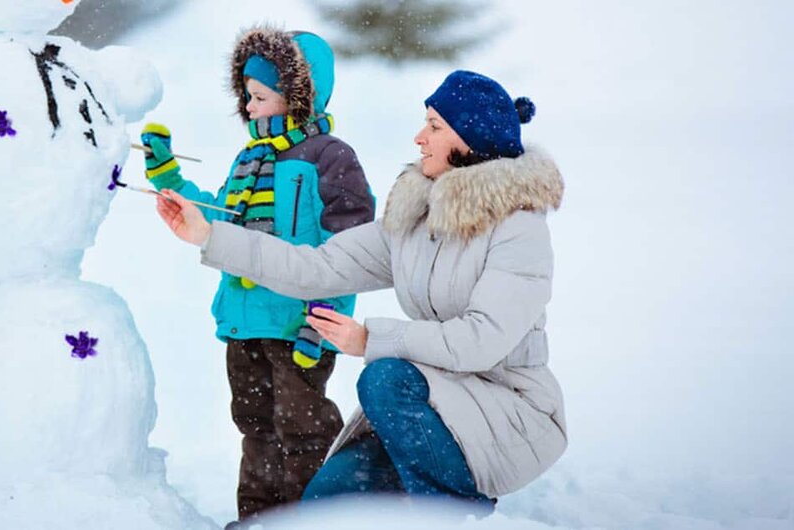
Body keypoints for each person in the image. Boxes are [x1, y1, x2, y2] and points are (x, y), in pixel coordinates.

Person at [154, 70, 567, 514]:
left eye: (434, 127)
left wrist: (369, 341)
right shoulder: (416, 221)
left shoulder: (519, 231)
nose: (419, 138)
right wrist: (209, 236)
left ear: (468, 140)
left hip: (507, 411)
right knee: (325, 504)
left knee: (384, 376)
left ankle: (455, 514)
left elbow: (480, 341)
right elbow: (317, 267)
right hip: (433, 404)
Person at [138, 27, 375, 521]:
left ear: (296, 96)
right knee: (256, 425)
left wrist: (323, 322)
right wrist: (168, 180)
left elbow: (352, 250)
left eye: (260, 96)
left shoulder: (330, 158)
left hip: (298, 326)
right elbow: (220, 218)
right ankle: (259, 518)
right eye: (246, 96)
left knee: (303, 427)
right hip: (246, 322)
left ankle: (315, 518)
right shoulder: (249, 159)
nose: (248, 107)